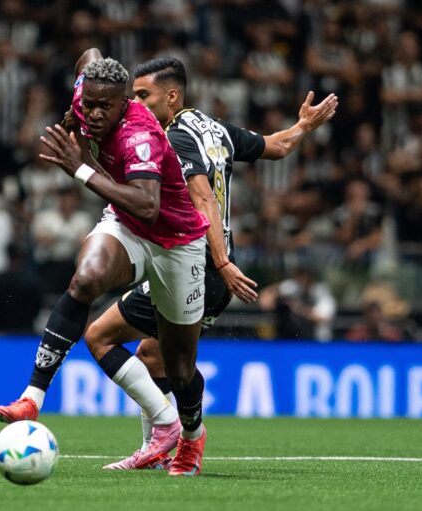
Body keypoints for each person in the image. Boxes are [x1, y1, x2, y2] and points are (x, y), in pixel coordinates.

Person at [83, 57, 338, 471]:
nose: (135, 104)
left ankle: (185, 438)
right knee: (155, 355)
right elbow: (276, 146)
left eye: (143, 96)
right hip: (203, 267)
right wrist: (304, 126)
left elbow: (204, 200)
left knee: (104, 337)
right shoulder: (212, 127)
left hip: (195, 265)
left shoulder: (174, 137)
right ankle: (162, 447)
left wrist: (221, 263)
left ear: (172, 96)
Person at [0, 52, 212, 477]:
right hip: (126, 224)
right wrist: (73, 110)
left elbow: (148, 205)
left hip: (176, 241)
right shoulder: (87, 94)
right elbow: (90, 57)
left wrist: (79, 168)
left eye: (104, 107)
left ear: (124, 102)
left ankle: (191, 435)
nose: (94, 113)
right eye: (88, 104)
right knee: (86, 279)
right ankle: (33, 398)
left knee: (179, 367)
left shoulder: (139, 135)